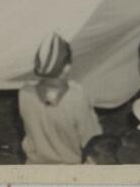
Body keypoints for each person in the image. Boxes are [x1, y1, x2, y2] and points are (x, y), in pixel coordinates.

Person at [16, 33, 102, 165]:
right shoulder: (76, 98)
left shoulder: (24, 94)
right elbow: (92, 139)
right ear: (67, 67)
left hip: (34, 166)